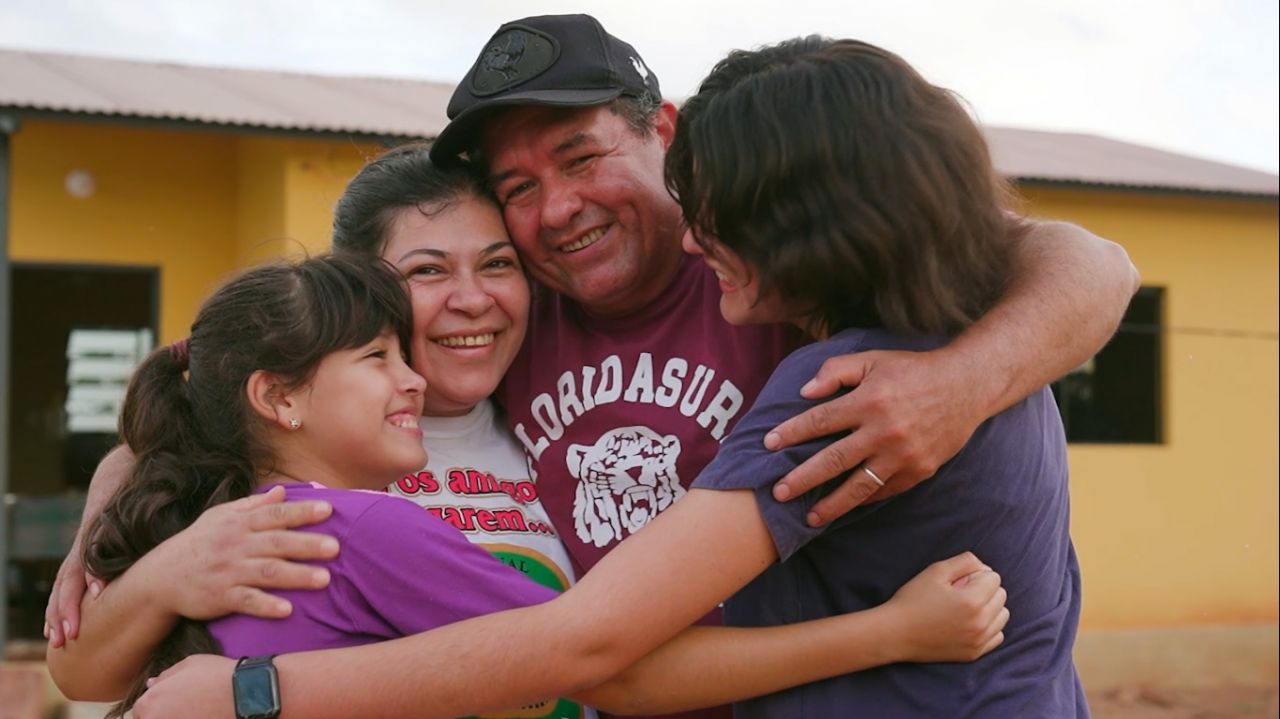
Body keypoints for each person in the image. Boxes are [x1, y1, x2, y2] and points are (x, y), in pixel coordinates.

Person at [133, 34, 1089, 719]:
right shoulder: (516, 312)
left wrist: (254, 696)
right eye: (518, 191)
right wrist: (139, 501)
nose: (704, 234)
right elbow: (236, 369)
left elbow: (589, 648)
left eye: (582, 155)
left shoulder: (850, 379)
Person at [58, 192, 1007, 719]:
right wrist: (891, 632)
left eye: (498, 264)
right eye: (419, 283)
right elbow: (606, 661)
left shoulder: (540, 420)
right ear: (277, 392)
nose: (414, 377)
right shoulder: (350, 513)